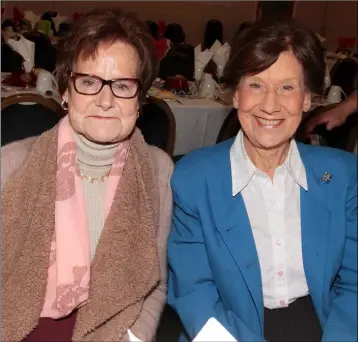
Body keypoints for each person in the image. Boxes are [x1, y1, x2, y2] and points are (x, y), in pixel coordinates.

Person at [168, 20, 357, 341]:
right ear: (236, 95)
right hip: (227, 325)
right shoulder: (193, 179)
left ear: (307, 99)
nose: (270, 105)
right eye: (255, 85)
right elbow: (194, 292)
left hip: (322, 321)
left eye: (287, 87)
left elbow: (354, 283)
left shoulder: (343, 175)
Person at [2, 8, 173, 342]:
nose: (105, 101)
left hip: (117, 329)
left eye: (123, 85)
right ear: (66, 91)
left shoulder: (158, 170)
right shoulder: (9, 167)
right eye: (90, 82)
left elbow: (155, 285)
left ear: (140, 99)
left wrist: (133, 339)